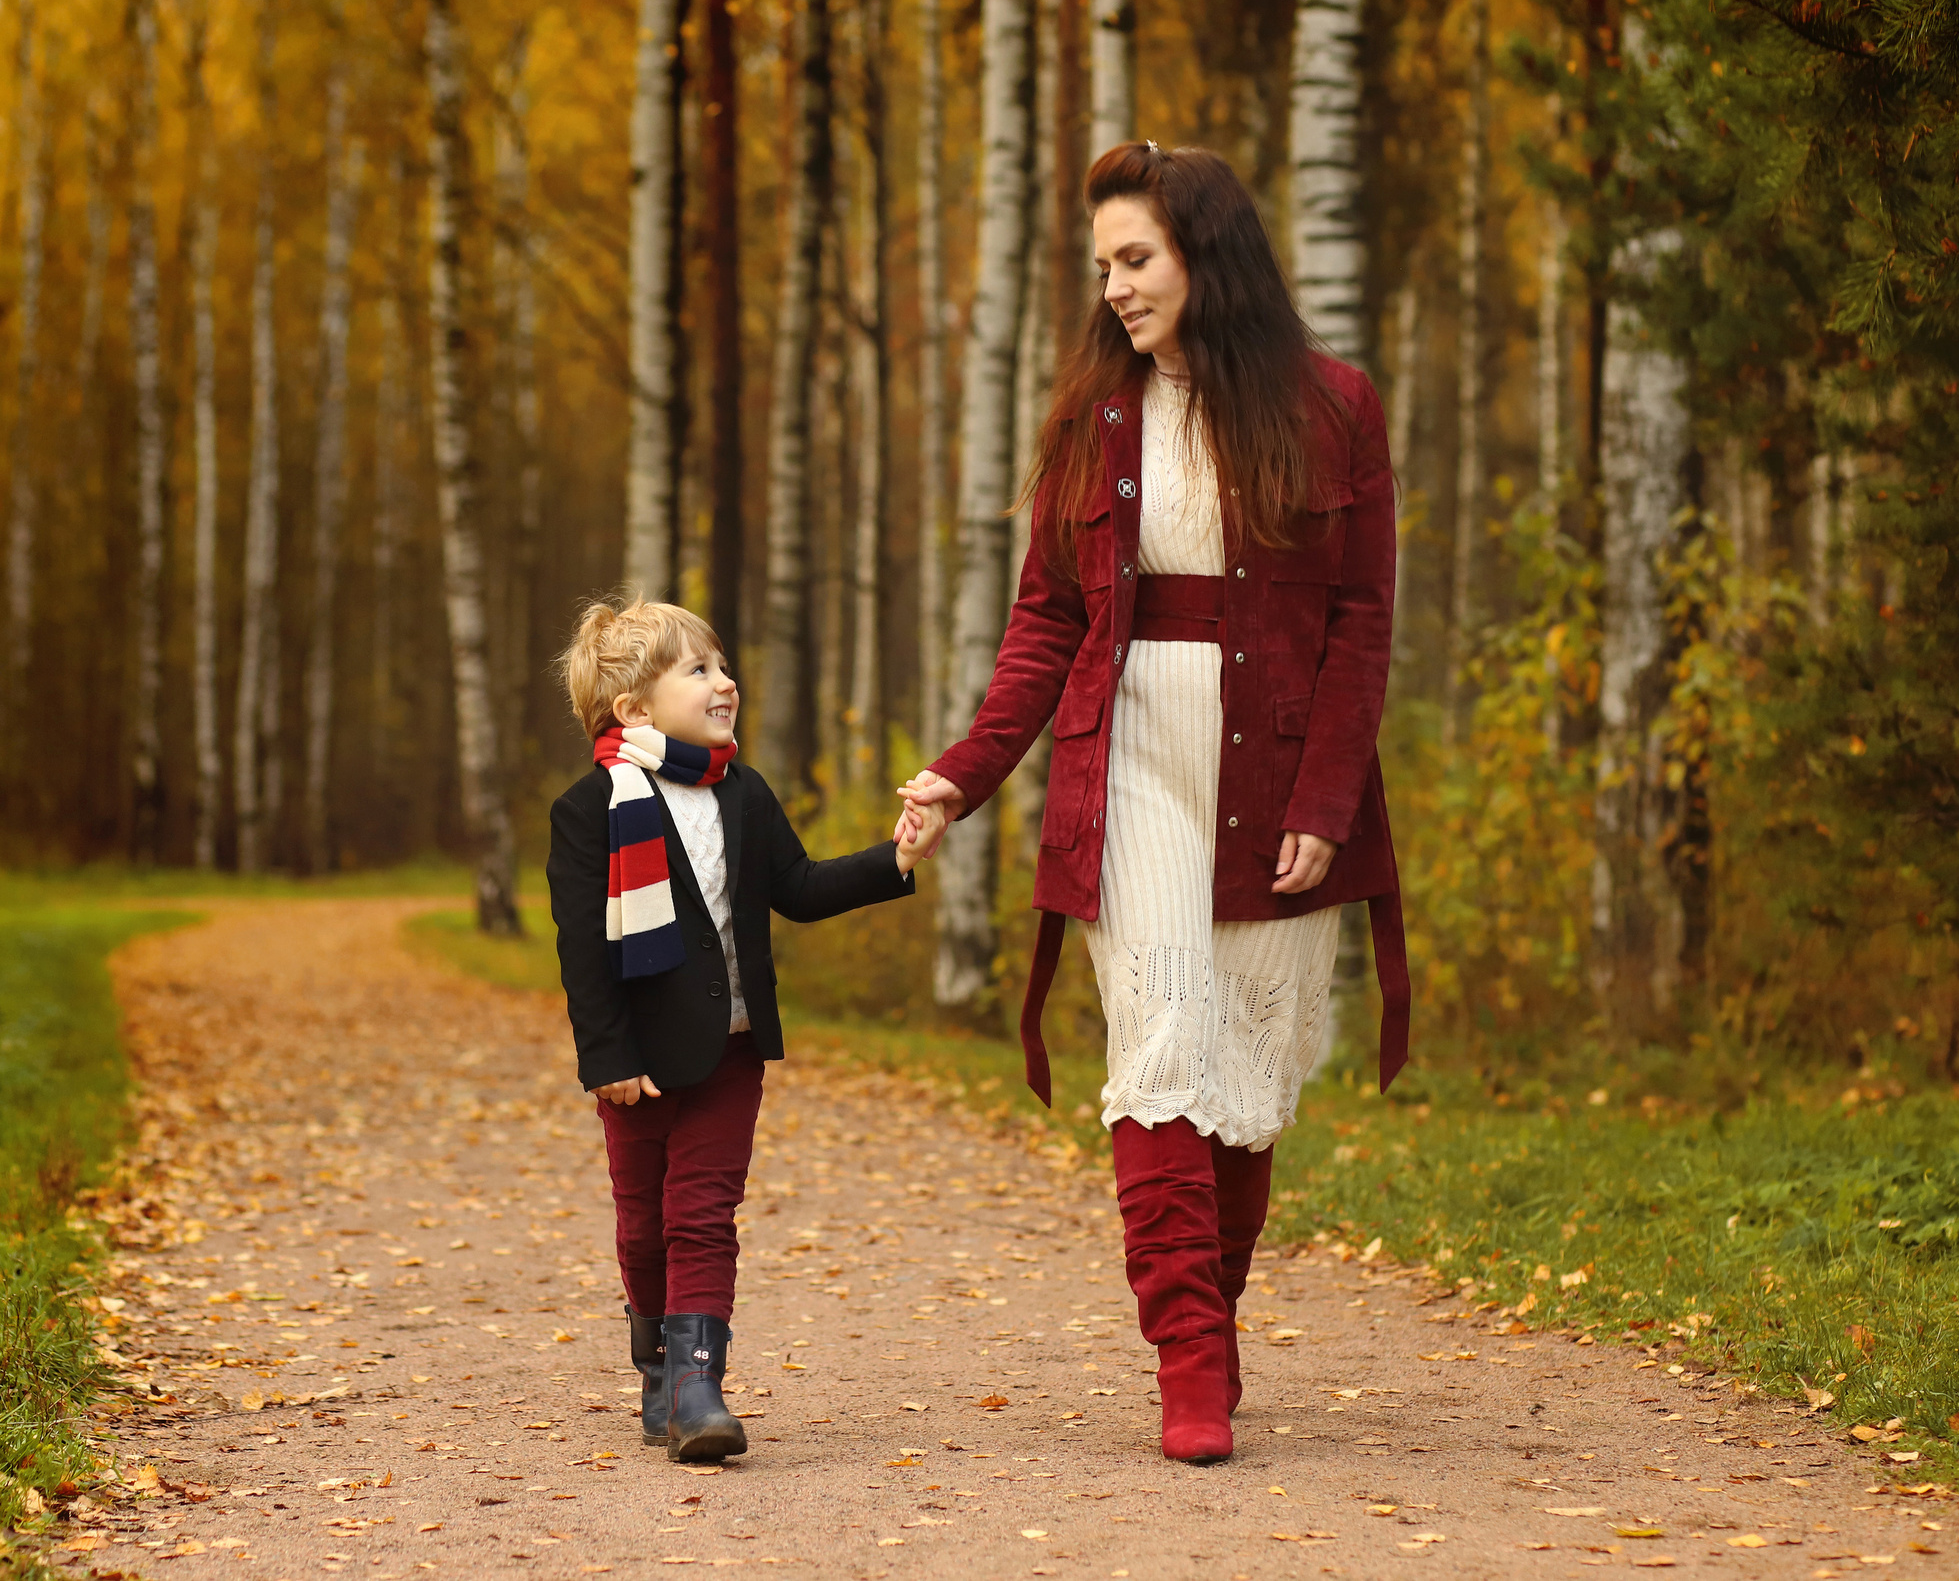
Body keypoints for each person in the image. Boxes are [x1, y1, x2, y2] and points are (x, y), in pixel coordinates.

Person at [894, 143, 1408, 1465]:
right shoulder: (1091, 418)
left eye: (1137, 258)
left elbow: (1361, 619)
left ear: (1205, 253)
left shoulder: (1336, 405)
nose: (1115, 287)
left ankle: (1210, 1318)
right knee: (1162, 1040)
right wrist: (964, 767)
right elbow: (1045, 620)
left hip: (1281, 767)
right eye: (1104, 266)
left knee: (1246, 1060)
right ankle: (1190, 1351)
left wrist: (1329, 791)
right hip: (1128, 759)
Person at [550, 597, 946, 1463]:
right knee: (642, 1224)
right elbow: (583, 952)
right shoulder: (590, 810)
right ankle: (656, 1368)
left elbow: (797, 888)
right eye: (697, 670)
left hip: (729, 1048)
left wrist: (898, 859)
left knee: (702, 1213)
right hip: (640, 1062)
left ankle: (699, 1387)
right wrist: (605, 1055)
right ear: (633, 709)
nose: (724, 682)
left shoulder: (745, 792)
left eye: (722, 665)